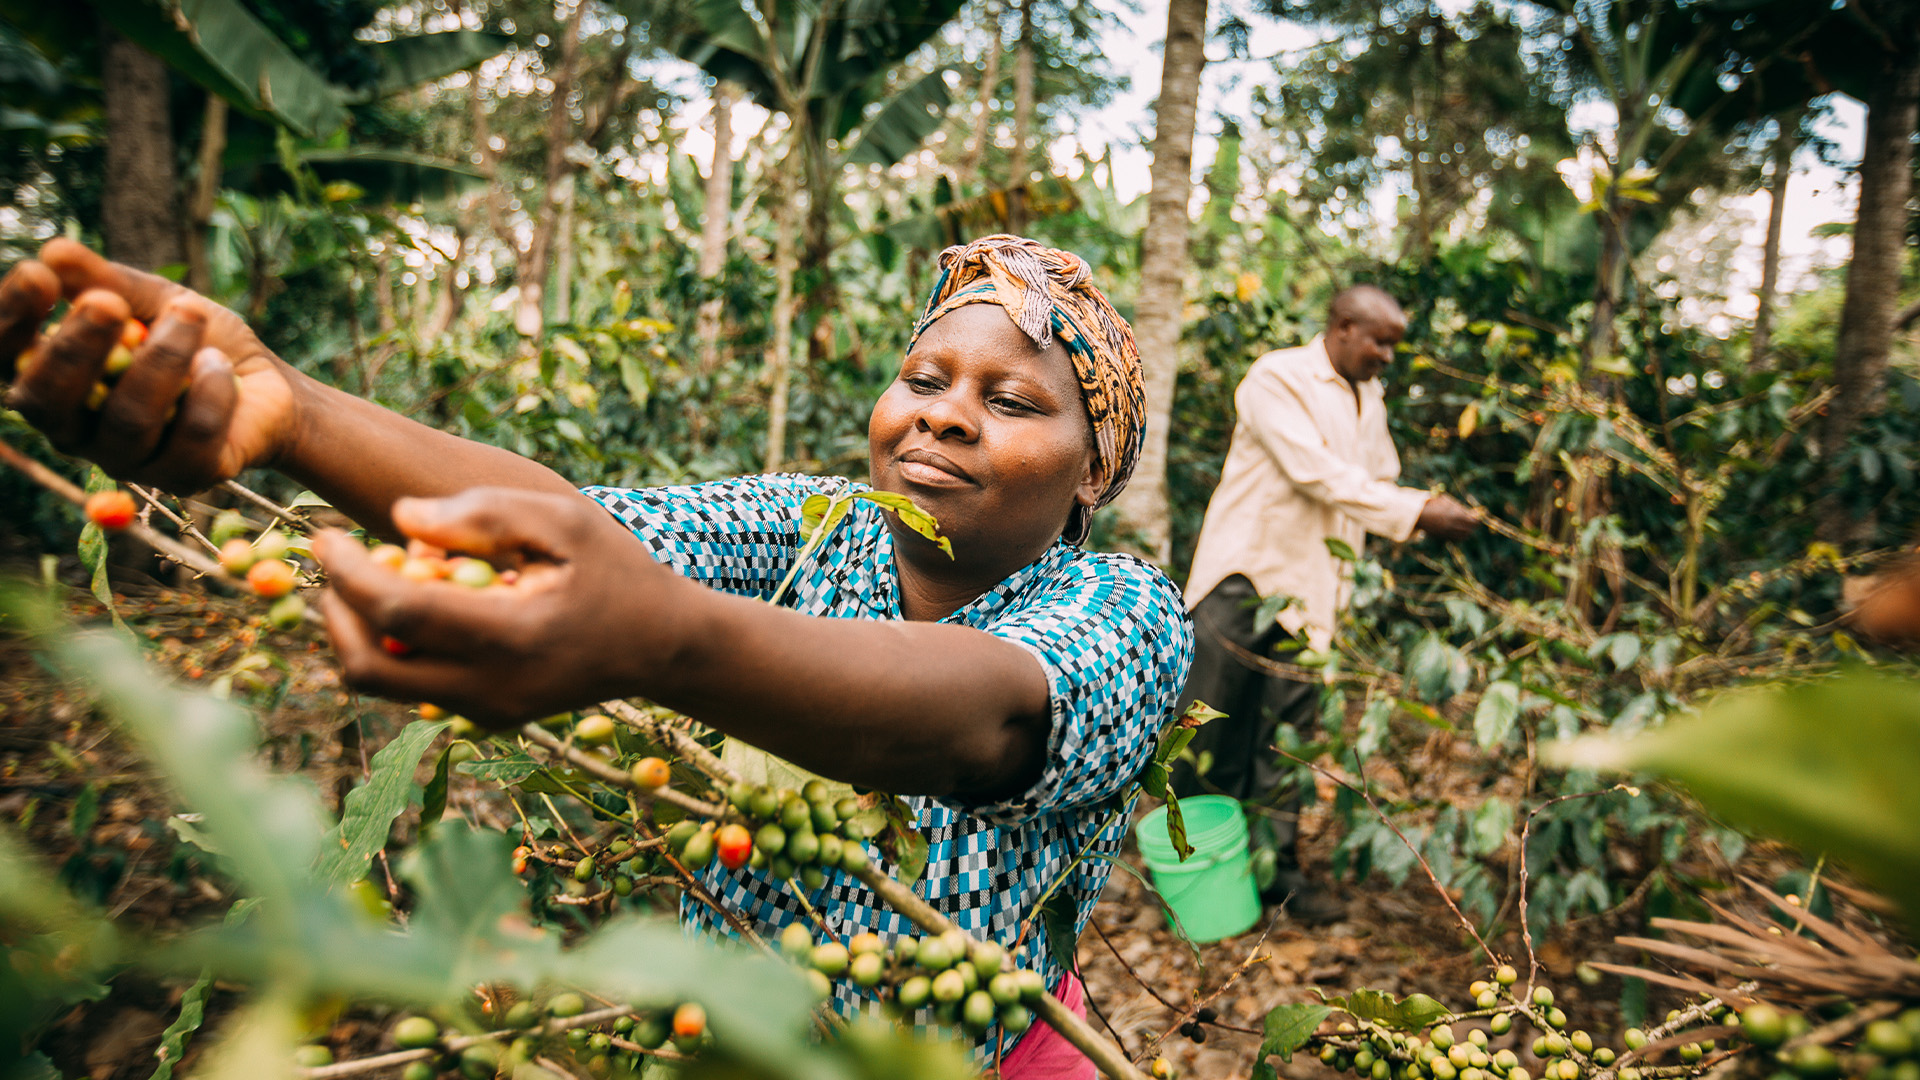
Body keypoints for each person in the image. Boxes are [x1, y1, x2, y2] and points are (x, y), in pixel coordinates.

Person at [0, 234, 1193, 1073]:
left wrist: (663, 637)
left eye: (1013, 402)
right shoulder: (818, 526)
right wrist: (295, 413)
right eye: (923, 379)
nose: (941, 412)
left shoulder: (1124, 608)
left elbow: (978, 720)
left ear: (1093, 470)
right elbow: (579, 525)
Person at [1173, 284, 1477, 922]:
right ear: (1341, 327)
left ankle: (1280, 881)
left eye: (1394, 345)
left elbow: (1377, 478)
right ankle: (1194, 874)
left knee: (1287, 745)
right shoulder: (1277, 378)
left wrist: (1405, 512)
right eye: (1379, 341)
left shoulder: (1371, 397)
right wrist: (1416, 512)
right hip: (1245, 580)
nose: (1388, 356)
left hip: (1314, 596)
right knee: (1207, 736)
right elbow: (1313, 472)